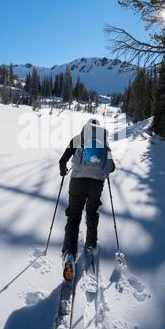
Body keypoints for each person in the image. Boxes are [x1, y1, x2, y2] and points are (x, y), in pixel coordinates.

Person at [59, 118, 115, 280]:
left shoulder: (78, 139)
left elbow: (62, 160)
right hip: (96, 184)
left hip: (77, 181)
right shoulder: (105, 144)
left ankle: (69, 251)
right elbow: (111, 166)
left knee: (74, 215)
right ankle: (90, 244)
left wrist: (64, 170)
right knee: (92, 212)